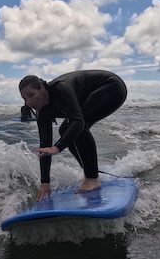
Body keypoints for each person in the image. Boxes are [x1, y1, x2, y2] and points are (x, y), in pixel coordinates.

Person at [19, 70, 127, 199]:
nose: (28, 102)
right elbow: (45, 146)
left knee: (79, 126)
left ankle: (92, 177)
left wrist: (57, 147)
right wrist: (45, 182)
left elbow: (78, 122)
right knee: (66, 130)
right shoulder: (42, 111)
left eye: (31, 95)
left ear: (42, 88)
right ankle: (91, 172)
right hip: (88, 97)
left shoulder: (60, 89)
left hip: (111, 87)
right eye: (24, 98)